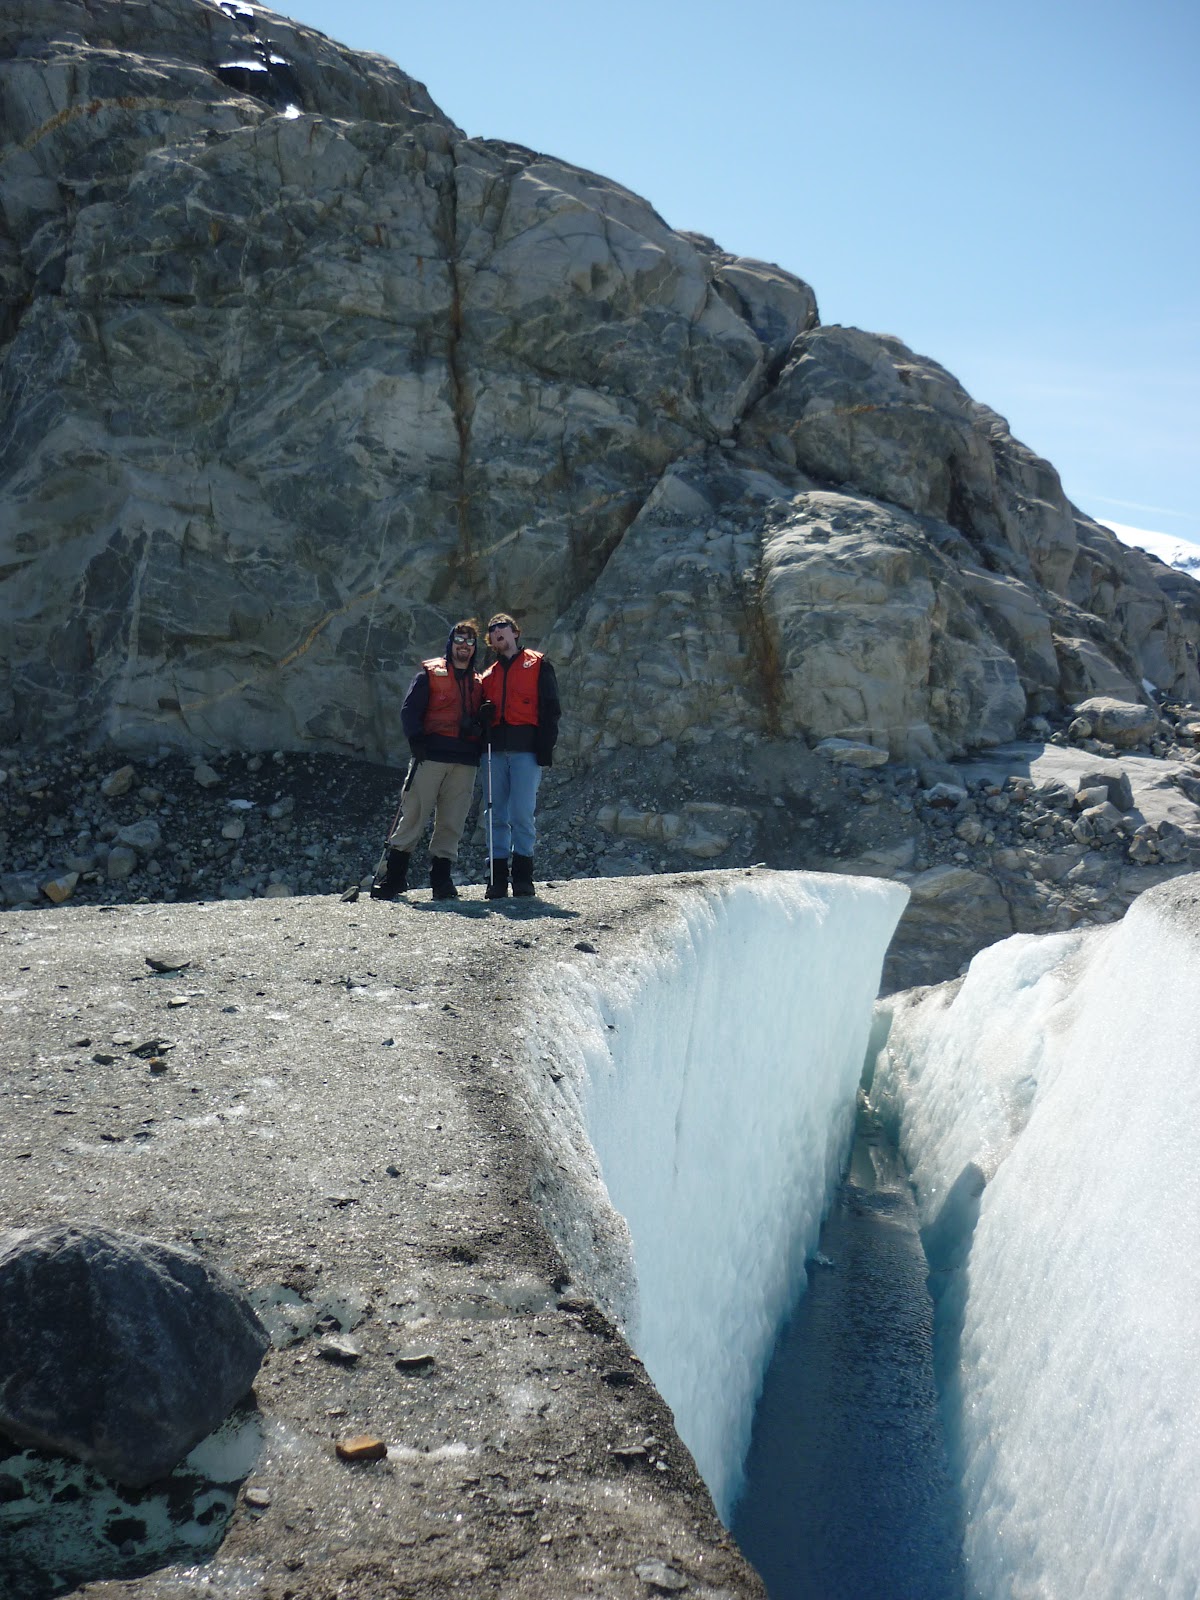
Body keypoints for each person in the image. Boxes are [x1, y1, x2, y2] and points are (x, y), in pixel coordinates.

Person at [370, 620, 484, 901]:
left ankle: (441, 882)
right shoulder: (429, 674)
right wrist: (417, 741)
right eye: (460, 640)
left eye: (470, 642)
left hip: (465, 761)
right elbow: (409, 711)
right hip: (430, 757)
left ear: (475, 648)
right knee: (415, 815)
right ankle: (394, 878)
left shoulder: (478, 683)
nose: (464, 646)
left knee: (452, 821)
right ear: (450, 643)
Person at [478, 611, 561, 898]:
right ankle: (497, 879)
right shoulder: (487, 676)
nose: (497, 631)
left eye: (503, 626)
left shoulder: (539, 664)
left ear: (515, 632)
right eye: (492, 630)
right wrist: (482, 715)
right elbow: (477, 718)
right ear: (491, 641)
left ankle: (523, 879)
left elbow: (551, 709)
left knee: (522, 814)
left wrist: (544, 749)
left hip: (526, 751)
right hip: (494, 753)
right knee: (495, 815)